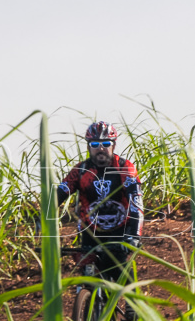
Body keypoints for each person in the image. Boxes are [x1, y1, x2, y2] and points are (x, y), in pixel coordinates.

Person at [57, 121, 144, 294]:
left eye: (106, 144)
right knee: (87, 271)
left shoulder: (124, 168)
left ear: (114, 145)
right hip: (91, 230)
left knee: (117, 264)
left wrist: (134, 236)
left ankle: (133, 304)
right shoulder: (80, 170)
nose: (101, 149)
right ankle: (87, 303)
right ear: (89, 147)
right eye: (95, 144)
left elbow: (136, 204)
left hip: (120, 229)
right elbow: (59, 194)